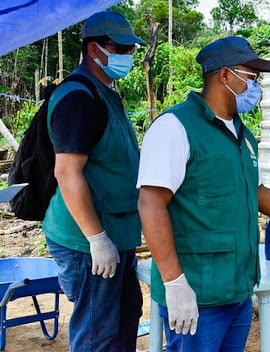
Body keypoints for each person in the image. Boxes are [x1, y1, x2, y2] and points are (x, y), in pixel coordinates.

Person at [136, 36, 270, 351]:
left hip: (239, 287)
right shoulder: (175, 127)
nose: (256, 88)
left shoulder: (243, 135)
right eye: (251, 78)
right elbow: (151, 204)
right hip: (196, 292)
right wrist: (175, 282)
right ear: (224, 76)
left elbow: (256, 191)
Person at [42, 10, 145, 352]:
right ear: (93, 50)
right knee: (97, 332)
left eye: (131, 49)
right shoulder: (77, 97)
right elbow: (67, 172)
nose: (128, 56)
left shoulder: (106, 93)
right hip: (89, 241)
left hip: (120, 232)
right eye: (120, 48)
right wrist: (97, 239)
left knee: (125, 320)